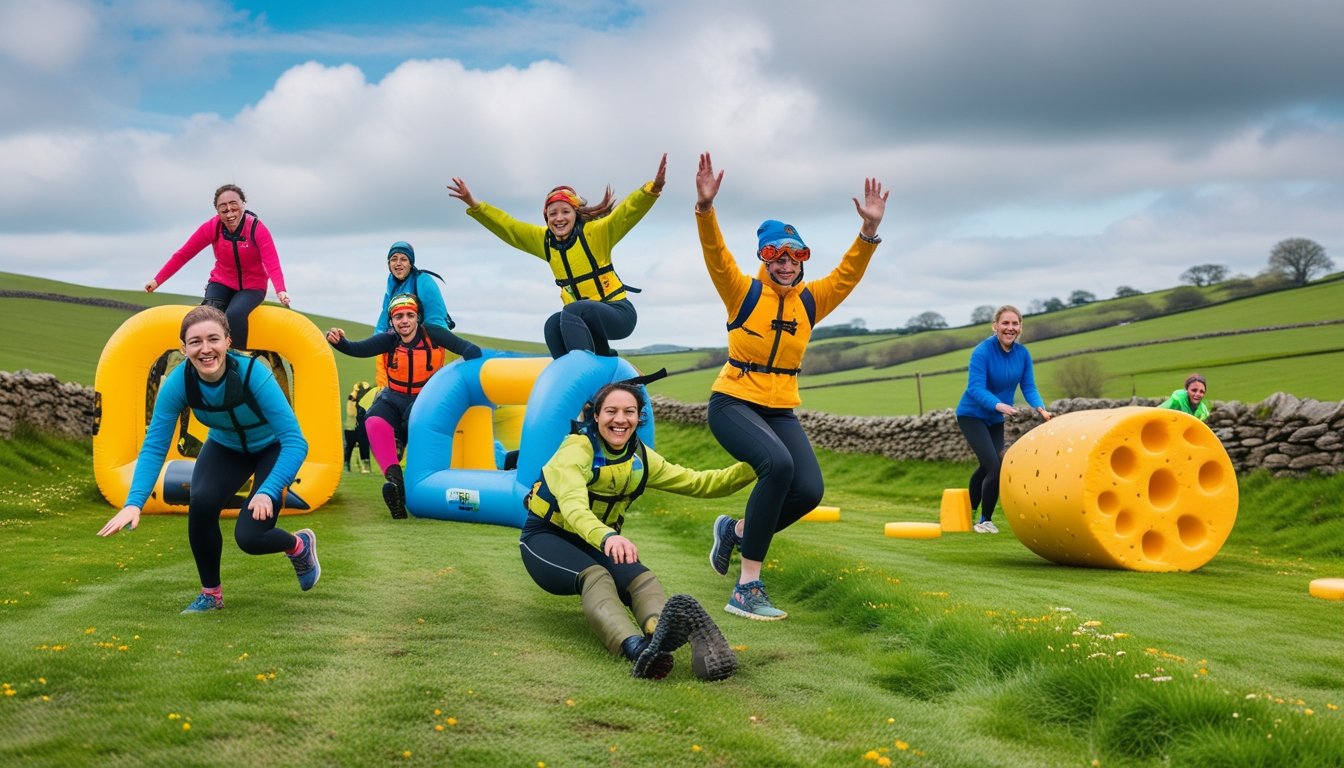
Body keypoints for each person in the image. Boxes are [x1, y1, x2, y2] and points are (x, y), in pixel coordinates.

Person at [694, 152, 887, 621]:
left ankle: (737, 530)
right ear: (763, 258)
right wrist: (705, 209)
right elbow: (716, 256)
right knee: (776, 466)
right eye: (775, 255)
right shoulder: (742, 291)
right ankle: (747, 587)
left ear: (802, 260)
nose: (785, 264)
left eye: (795, 255)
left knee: (809, 490)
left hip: (780, 408)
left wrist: (867, 233)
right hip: (733, 401)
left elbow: (848, 274)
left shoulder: (812, 301)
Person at [520, 381, 755, 680]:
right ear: (596, 416)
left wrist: (758, 464)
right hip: (546, 537)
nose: (621, 419)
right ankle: (635, 648)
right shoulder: (576, 450)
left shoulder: (640, 457)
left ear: (639, 417)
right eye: (612, 411)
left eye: (629, 412)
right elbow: (573, 507)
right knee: (597, 576)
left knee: (642, 579)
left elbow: (700, 482)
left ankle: (660, 631)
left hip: (599, 541)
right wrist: (608, 536)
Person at [96, 306, 319, 613]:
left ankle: (298, 546)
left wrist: (268, 490)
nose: (205, 349)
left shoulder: (253, 373)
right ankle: (211, 595)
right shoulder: (178, 383)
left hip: (273, 448)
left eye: (213, 339)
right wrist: (134, 502)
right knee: (200, 500)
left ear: (228, 341)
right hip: (226, 446)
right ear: (183, 348)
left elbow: (296, 442)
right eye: (195, 342)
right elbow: (154, 447)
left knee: (250, 538)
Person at [446, 154, 667, 358]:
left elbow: (625, 214)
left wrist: (652, 189)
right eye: (552, 213)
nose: (558, 218)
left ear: (576, 214)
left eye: (565, 212)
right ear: (546, 218)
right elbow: (509, 228)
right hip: (586, 322)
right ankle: (582, 373)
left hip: (618, 314)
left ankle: (583, 372)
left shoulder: (595, 233)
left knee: (571, 311)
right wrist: (475, 205)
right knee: (553, 324)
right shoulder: (545, 241)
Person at [327, 294, 482, 518]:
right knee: (373, 421)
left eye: (410, 315)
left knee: (415, 422)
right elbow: (357, 349)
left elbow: (471, 351)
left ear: (417, 317)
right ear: (392, 321)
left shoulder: (434, 334)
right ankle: (395, 485)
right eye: (398, 316)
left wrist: (455, 380)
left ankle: (405, 466)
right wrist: (338, 341)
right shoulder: (388, 339)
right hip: (393, 397)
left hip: (426, 399)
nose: (404, 321)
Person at [145, 184, 291, 350]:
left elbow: (272, 261)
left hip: (252, 287)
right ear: (217, 211)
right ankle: (202, 356)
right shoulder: (213, 227)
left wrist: (281, 290)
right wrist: (157, 280)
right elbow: (184, 254)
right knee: (207, 315)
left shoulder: (256, 229)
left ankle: (237, 357)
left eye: (234, 206)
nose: (229, 213)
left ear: (243, 204)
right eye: (223, 209)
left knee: (234, 314)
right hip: (222, 281)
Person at [954, 305, 1053, 534]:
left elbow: (1028, 386)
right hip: (972, 415)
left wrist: (1041, 409)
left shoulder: (1022, 354)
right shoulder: (982, 351)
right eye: (1005, 323)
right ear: (995, 326)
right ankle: (982, 521)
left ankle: (972, 515)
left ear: (1020, 327)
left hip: (996, 417)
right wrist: (999, 405)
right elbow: (975, 388)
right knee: (995, 465)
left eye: (1015, 324)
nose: (1010, 328)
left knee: (988, 466)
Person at [374, 241, 453, 333]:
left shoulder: (424, 281)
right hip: (402, 340)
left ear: (410, 264)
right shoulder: (391, 286)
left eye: (403, 259)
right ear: (389, 264)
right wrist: (374, 344)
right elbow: (383, 322)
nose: (398, 263)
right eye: (394, 259)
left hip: (425, 341)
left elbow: (435, 319)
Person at [343, 380, 372, 473]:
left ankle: (366, 466)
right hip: (351, 427)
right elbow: (351, 413)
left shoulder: (369, 401)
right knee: (349, 447)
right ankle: (346, 465)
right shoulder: (351, 398)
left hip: (363, 428)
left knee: (364, 446)